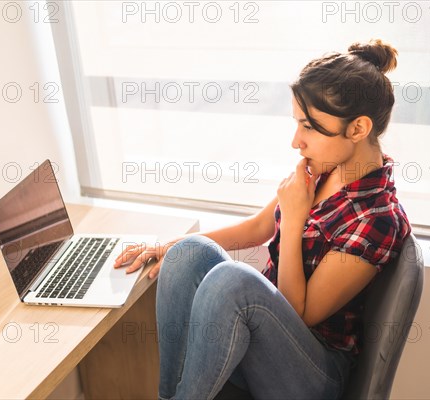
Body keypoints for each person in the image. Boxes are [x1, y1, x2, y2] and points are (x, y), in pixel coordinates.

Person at [114, 38, 411, 400]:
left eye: (310, 127)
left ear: (358, 129)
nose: (296, 142)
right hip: (264, 349)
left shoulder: (377, 218)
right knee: (190, 251)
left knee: (233, 281)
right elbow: (257, 228)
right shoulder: (322, 169)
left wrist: (295, 218)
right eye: (297, 124)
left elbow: (298, 315)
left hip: (313, 374)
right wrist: (167, 247)